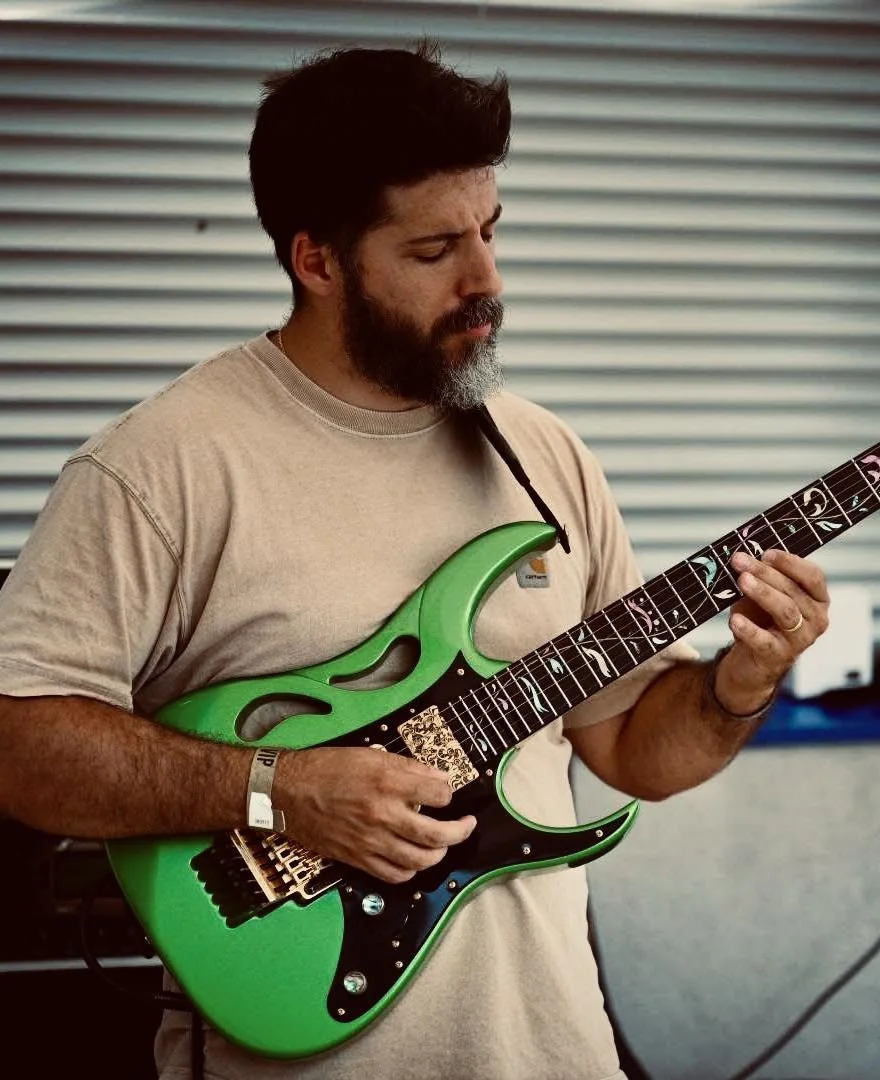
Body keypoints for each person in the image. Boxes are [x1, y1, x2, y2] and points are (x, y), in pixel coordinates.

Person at [0, 41, 829, 1080]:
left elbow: (629, 751)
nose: (486, 279)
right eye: (435, 251)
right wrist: (277, 790)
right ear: (318, 259)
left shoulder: (543, 455)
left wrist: (742, 683)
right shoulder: (162, 467)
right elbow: (21, 744)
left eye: (490, 232)